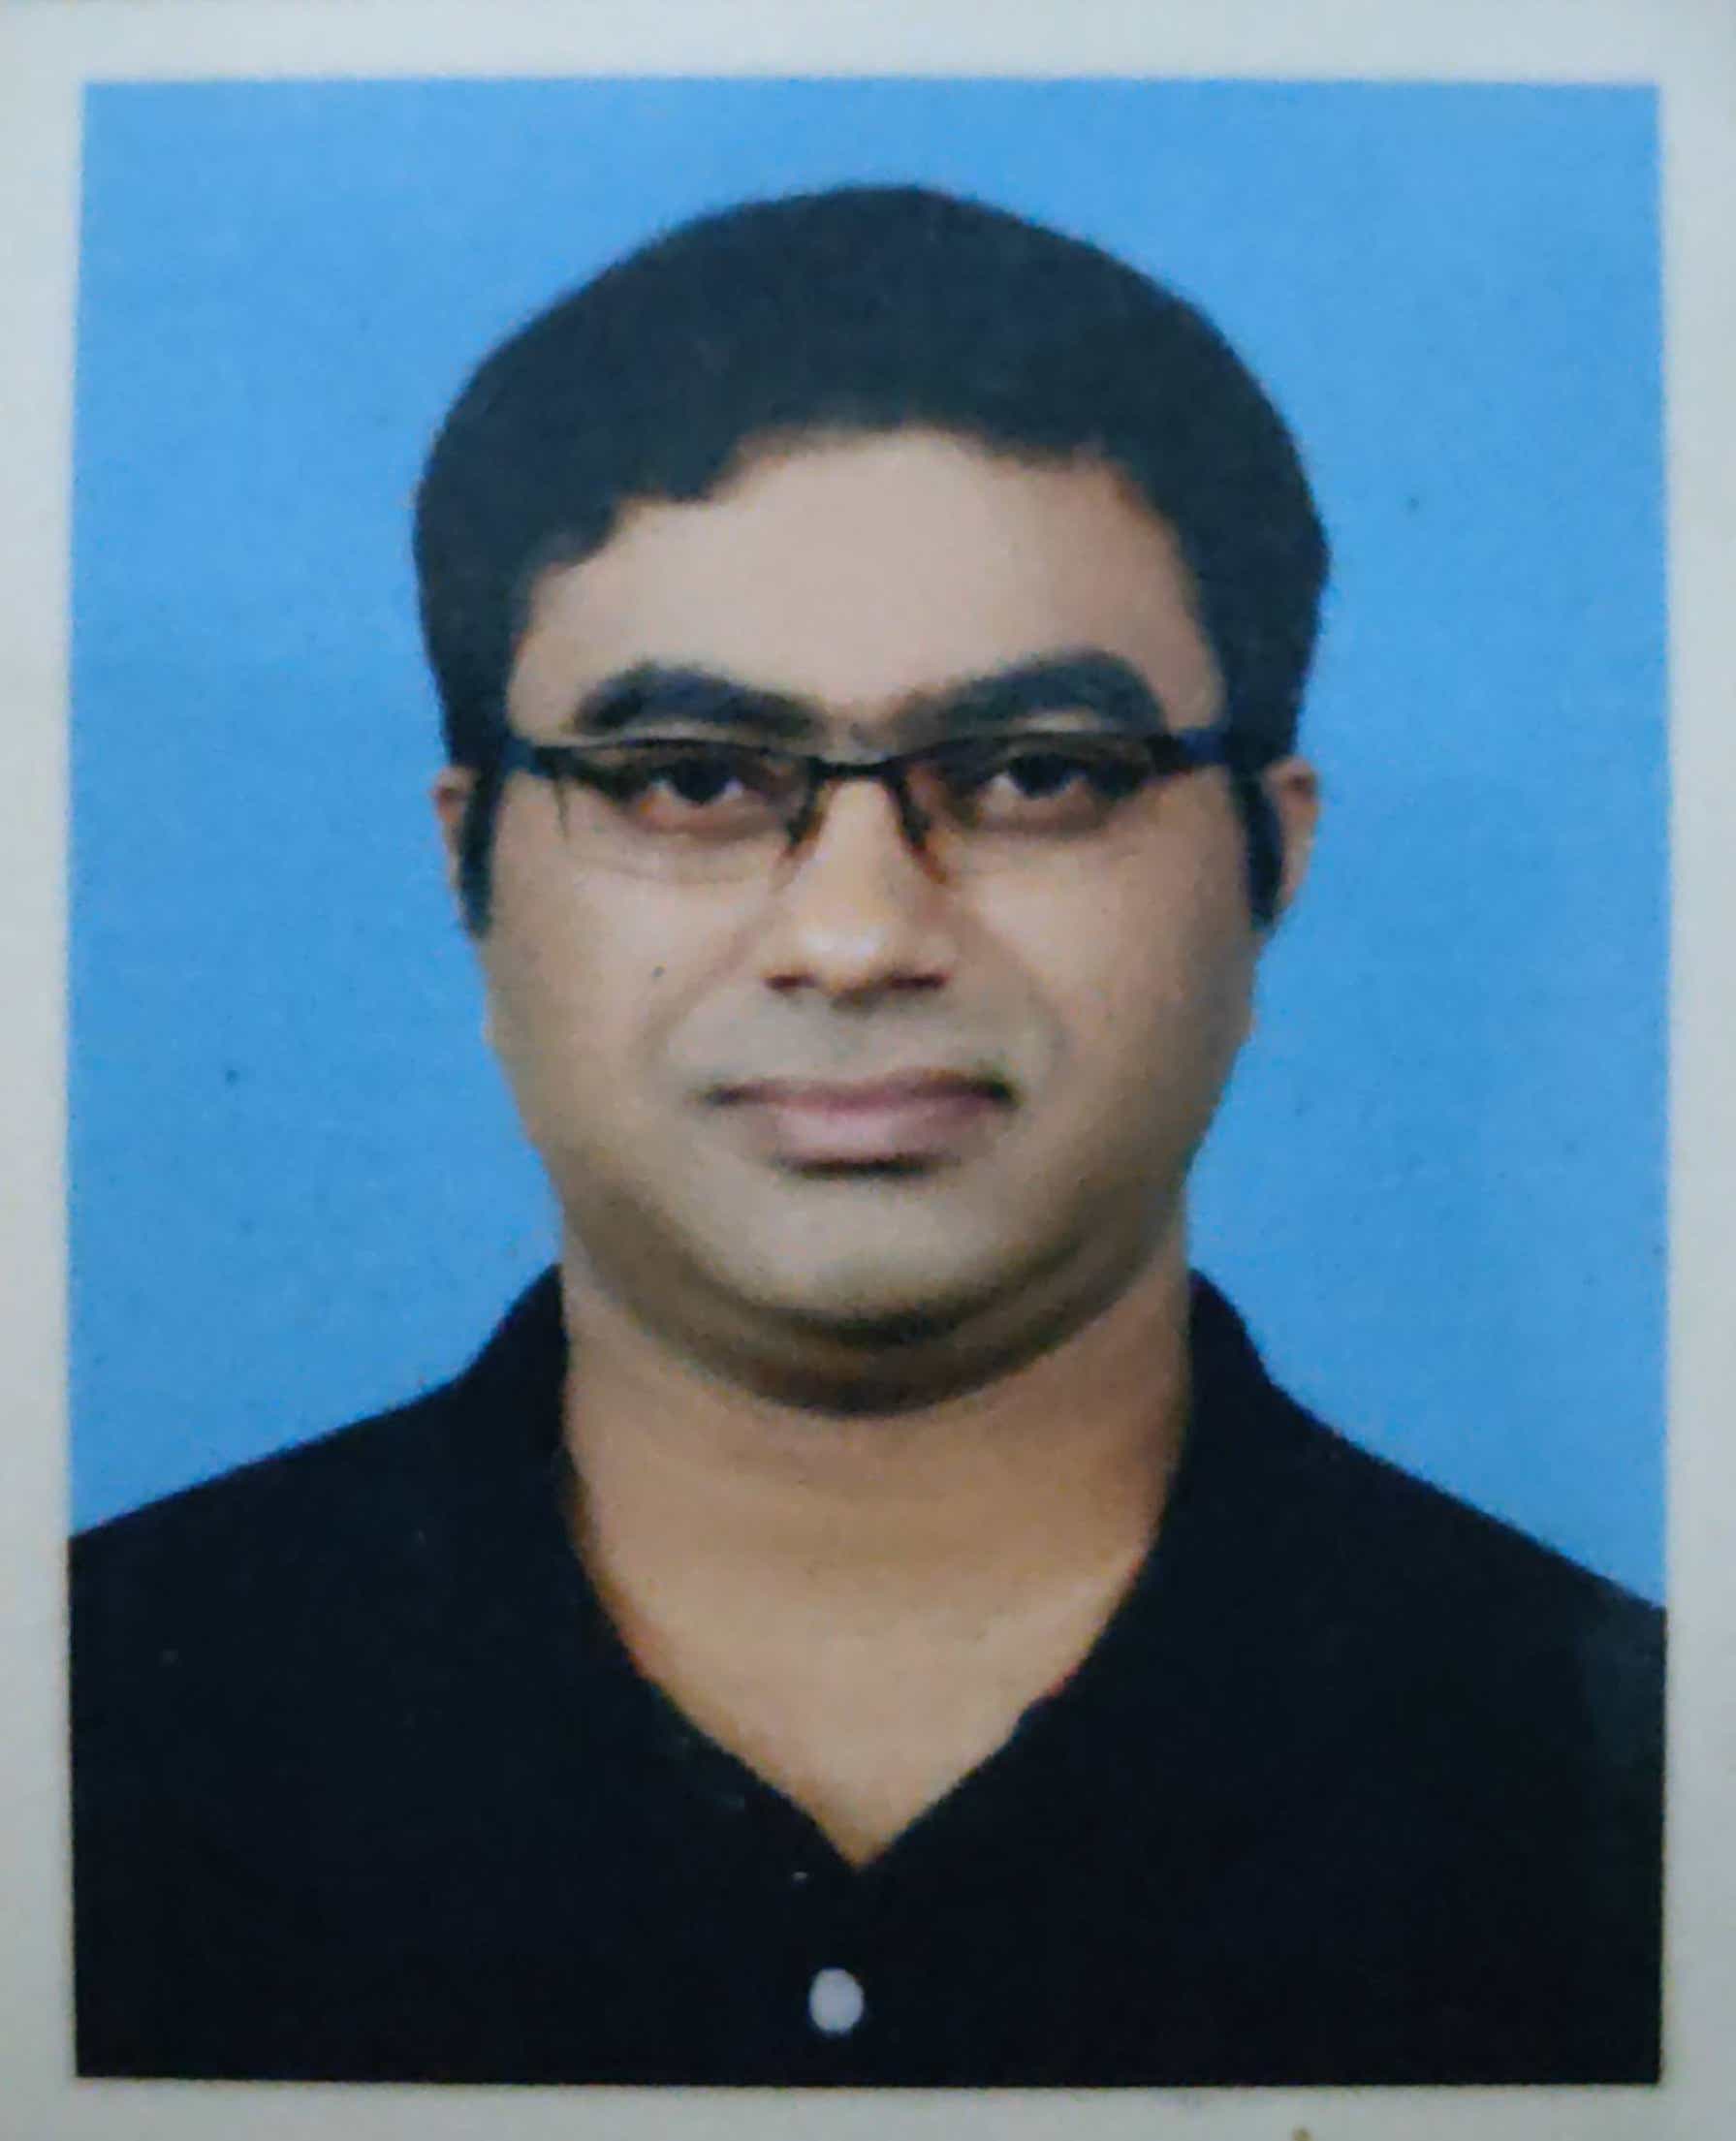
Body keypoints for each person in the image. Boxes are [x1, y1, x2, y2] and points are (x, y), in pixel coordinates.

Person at [70, 183, 1662, 2089]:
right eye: (686, 779)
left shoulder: (1642, 1799)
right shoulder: (77, 1734)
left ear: (1271, 859)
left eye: (1035, 772)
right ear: (469, 863)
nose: (853, 937)